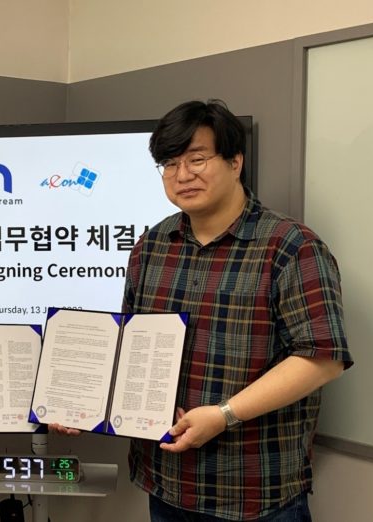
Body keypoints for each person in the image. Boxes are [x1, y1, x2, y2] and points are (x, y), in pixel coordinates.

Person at [122, 100, 352, 521]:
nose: (182, 175)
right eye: (169, 164)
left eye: (197, 159)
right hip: (165, 481)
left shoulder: (291, 247)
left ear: (235, 162)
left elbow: (323, 358)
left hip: (253, 492)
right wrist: (85, 406)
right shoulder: (151, 247)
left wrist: (224, 415)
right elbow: (130, 346)